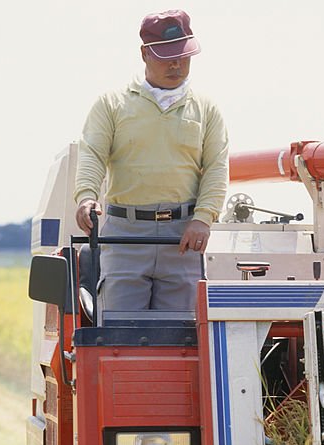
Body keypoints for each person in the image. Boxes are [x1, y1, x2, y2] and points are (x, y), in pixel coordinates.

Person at [73, 9, 229, 314]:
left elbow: (217, 165)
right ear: (144, 54)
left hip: (183, 237)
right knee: (120, 335)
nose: (176, 64)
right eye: (166, 55)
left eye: (183, 55)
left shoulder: (207, 109)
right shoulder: (112, 104)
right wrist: (87, 196)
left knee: (182, 339)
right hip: (124, 235)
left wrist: (203, 218)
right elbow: (92, 152)